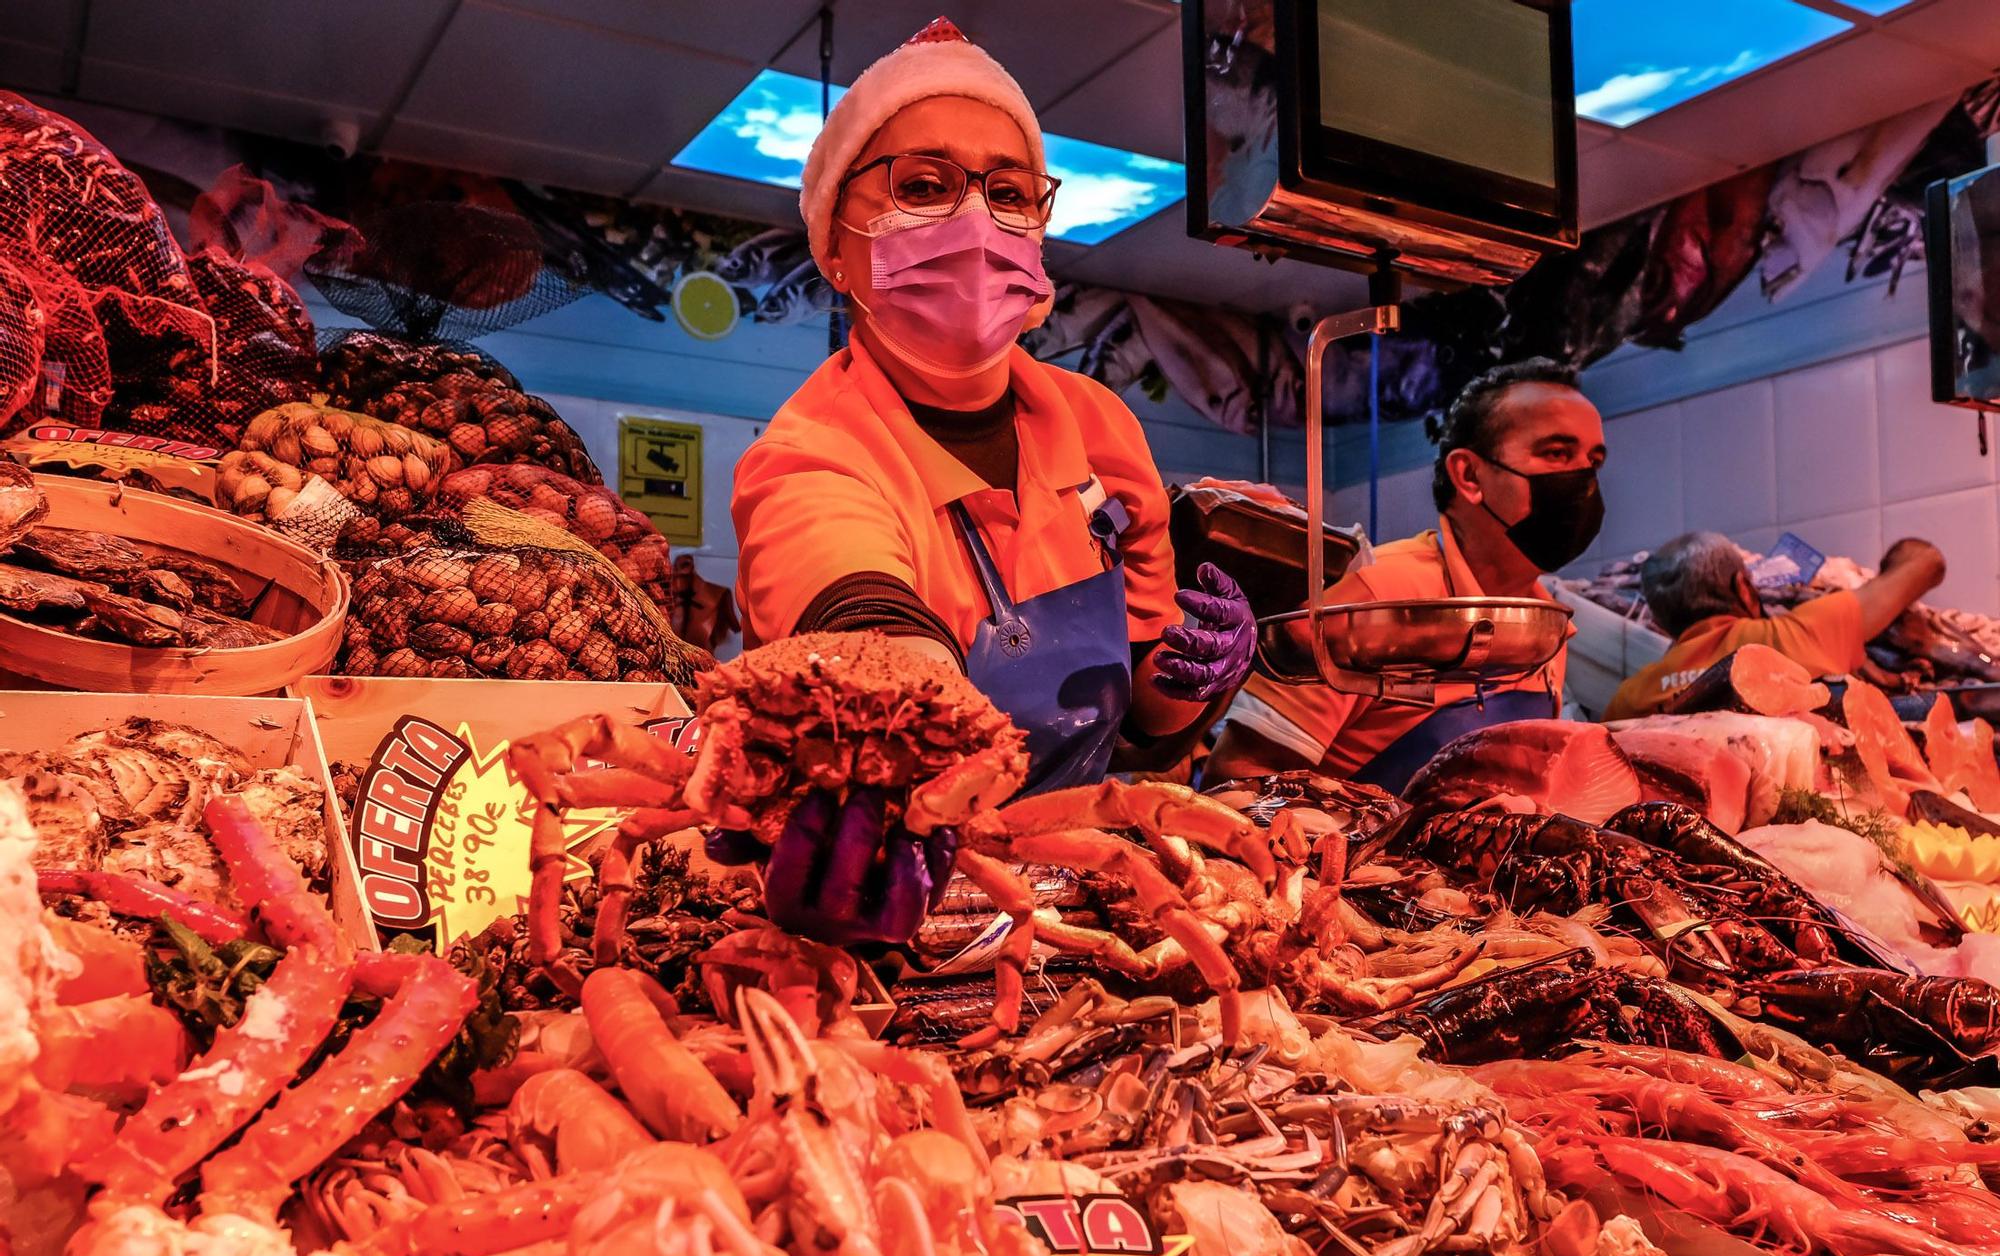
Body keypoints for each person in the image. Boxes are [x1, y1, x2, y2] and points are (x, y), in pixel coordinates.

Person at [725, 19, 1257, 941]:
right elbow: (854, 607)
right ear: (836, 246)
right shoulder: (810, 452)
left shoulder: (1099, 427)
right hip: (887, 892)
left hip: (1086, 887)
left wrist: (1187, 680)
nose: (976, 222)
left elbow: (1137, 721)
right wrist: (897, 698)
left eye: (1010, 194)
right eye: (923, 187)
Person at [1206, 359, 1603, 792]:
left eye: (1593, 460)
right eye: (1557, 454)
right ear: (1469, 475)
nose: (1584, 481)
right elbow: (1238, 778)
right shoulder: (1373, 598)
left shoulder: (1544, 625)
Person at [1602, 532, 1946, 720]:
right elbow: (1925, 562)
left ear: (1659, 620)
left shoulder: (1631, 696)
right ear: (1743, 587)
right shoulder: (1793, 637)